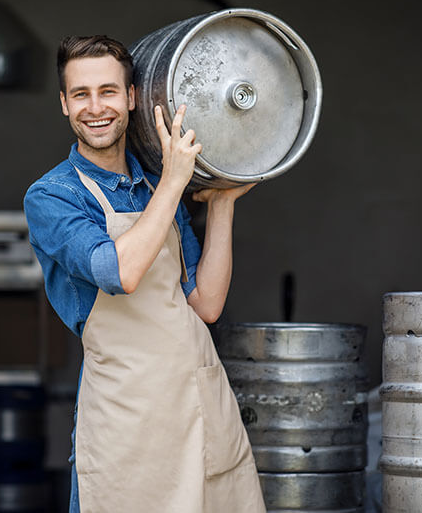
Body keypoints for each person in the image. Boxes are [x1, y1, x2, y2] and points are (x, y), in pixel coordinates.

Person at [23, 35, 265, 513]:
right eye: (81, 94)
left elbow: (207, 303)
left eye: (109, 92)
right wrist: (175, 181)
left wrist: (220, 205)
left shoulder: (155, 186)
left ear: (132, 98)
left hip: (198, 406)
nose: (96, 107)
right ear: (64, 105)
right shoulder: (53, 197)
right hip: (127, 422)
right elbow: (120, 272)